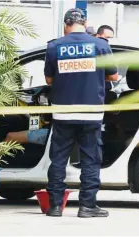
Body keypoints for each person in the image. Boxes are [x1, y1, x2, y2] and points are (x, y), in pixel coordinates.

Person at [44, 8, 118, 218]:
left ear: (66, 25)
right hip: (91, 112)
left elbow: (49, 80)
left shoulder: (54, 46)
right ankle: (87, 206)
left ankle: (56, 206)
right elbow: (113, 77)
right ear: (84, 24)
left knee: (58, 159)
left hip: (63, 112)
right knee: (90, 159)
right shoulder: (100, 45)